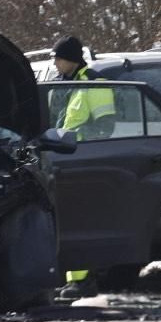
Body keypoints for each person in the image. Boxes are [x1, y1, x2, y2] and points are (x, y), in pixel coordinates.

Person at [50, 34, 116, 299]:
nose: (54, 63)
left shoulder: (93, 83)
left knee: (78, 218)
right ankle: (72, 279)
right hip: (61, 158)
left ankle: (84, 280)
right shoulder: (62, 84)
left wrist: (75, 138)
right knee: (65, 220)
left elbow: (104, 125)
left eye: (57, 58)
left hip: (83, 158)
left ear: (69, 60)